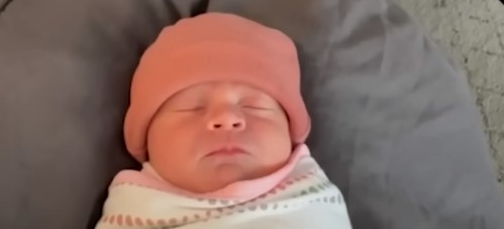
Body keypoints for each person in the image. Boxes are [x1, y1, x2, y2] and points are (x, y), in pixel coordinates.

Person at [95, 13, 352, 228]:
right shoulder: (132, 210)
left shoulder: (314, 200)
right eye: (193, 108)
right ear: (146, 140)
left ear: (290, 130)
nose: (227, 118)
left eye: (253, 106)